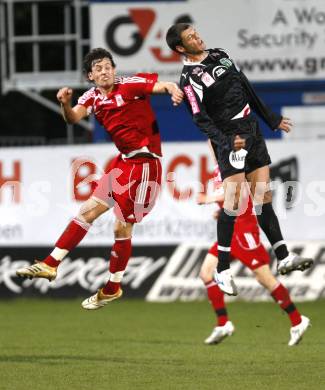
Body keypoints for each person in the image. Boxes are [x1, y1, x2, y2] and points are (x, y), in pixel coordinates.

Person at [16, 48, 183, 310]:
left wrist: (172, 89)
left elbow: (162, 85)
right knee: (86, 212)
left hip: (145, 164)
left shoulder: (129, 85)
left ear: (114, 70)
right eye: (98, 68)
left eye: (108, 66)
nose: (104, 71)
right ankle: (51, 264)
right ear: (90, 76)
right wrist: (64, 103)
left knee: (121, 228)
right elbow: (72, 118)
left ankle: (113, 287)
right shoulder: (92, 97)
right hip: (123, 163)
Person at [166, 24, 313, 295]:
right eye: (190, 38)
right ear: (180, 48)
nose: (198, 37)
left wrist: (271, 119)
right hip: (230, 138)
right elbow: (200, 120)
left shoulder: (220, 54)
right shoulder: (189, 80)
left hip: (252, 130)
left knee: (263, 198)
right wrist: (226, 143)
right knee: (233, 204)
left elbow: (245, 87)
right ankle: (223, 270)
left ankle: (284, 257)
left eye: (197, 33)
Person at [197, 163, 310, 346]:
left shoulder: (235, 161)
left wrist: (208, 198)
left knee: (264, 279)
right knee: (206, 273)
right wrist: (221, 212)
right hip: (230, 233)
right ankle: (223, 323)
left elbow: (239, 191)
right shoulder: (221, 163)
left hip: (244, 232)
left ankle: (297, 320)